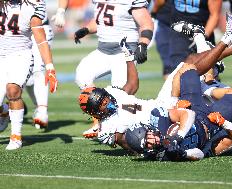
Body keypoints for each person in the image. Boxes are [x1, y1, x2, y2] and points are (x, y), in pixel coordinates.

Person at [78, 12, 232, 149]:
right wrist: (148, 144)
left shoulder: (113, 93)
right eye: (102, 102)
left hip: (162, 103)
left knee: (188, 63)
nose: (107, 100)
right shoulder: (106, 129)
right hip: (160, 126)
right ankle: (227, 46)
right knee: (195, 73)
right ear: (96, 113)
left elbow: (132, 85)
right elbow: (131, 144)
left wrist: (128, 57)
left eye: (104, 96)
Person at [125, 64, 232, 161]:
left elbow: (189, 114)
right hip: (211, 123)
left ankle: (208, 89)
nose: (153, 140)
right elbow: (201, 154)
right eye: (148, 143)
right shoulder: (165, 155)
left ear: (148, 129)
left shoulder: (157, 119)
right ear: (144, 150)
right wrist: (183, 153)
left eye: (148, 136)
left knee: (188, 67)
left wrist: (178, 135)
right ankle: (208, 85)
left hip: (192, 107)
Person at [0, 0, 58, 150]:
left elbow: (40, 39)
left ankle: (16, 137)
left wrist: (49, 66)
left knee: (13, 91)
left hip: (21, 55)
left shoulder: (31, 7)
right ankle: (5, 110)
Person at [74, 0, 154, 91]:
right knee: (82, 76)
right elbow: (102, 20)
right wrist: (86, 30)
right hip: (102, 51)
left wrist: (142, 44)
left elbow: (146, 23)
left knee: (120, 93)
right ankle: (99, 103)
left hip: (124, 53)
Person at [24, 0, 68, 129]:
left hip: (41, 27)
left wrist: (60, 11)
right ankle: (9, 107)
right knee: (25, 77)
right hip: (18, 31)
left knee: (38, 70)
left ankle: (42, 111)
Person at [166, 0, 222, 77]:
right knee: (179, 71)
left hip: (203, 33)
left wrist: (201, 38)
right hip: (179, 33)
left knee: (208, 75)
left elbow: (214, 15)